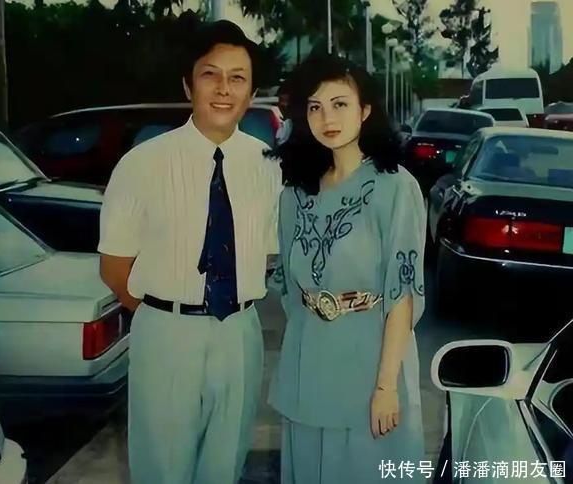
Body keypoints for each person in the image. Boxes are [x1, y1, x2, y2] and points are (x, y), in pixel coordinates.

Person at [97, 20, 283, 484]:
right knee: (162, 470)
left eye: (237, 78)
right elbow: (114, 267)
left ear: (251, 92)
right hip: (166, 334)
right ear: (188, 84)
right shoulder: (142, 163)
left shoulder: (268, 167)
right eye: (210, 75)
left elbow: (265, 256)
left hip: (239, 335)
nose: (224, 89)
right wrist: (169, 316)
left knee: (225, 466)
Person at [267, 54, 426, 484]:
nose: (327, 118)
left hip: (370, 363)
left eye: (339, 104)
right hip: (307, 365)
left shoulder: (395, 188)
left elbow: (402, 295)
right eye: (315, 107)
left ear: (365, 110)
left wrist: (386, 386)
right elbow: (290, 292)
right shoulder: (295, 194)